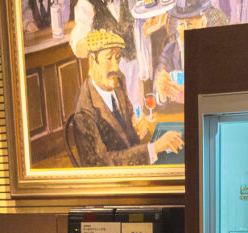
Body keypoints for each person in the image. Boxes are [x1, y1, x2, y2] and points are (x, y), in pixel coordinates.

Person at [70, 30, 184, 167]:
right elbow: (101, 165)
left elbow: (131, 122)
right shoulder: (84, 112)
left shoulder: (118, 79)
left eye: (118, 58)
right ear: (93, 61)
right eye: (109, 58)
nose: (115, 66)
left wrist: (138, 127)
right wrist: (154, 148)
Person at [69, 0, 143, 114]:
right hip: (108, 75)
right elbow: (78, 47)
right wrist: (100, 43)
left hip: (134, 69)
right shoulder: (86, 4)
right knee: (115, 116)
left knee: (137, 113)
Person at [153, 0, 228, 106]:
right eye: (181, 24)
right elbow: (158, 88)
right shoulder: (170, 50)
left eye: (189, 23)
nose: (185, 29)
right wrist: (161, 93)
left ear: (203, 22)